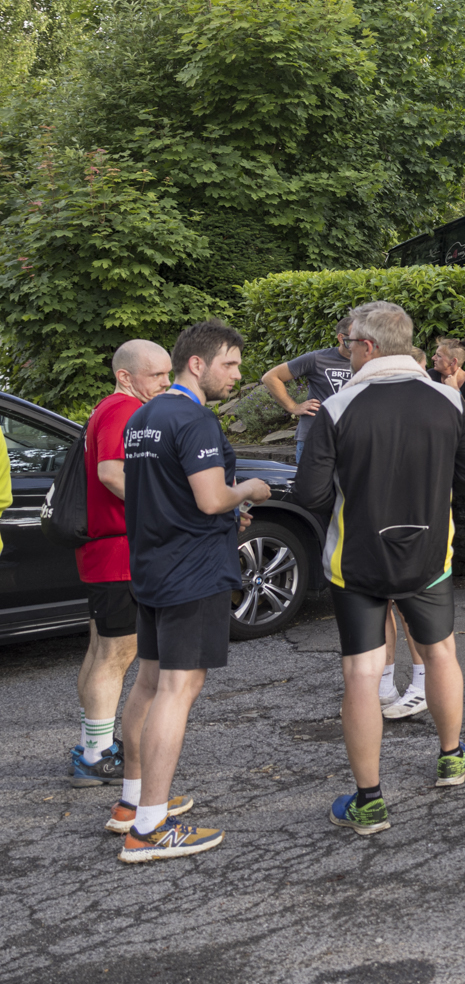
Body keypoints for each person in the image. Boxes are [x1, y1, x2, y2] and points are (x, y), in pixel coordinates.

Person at [296, 302, 465, 835]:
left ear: (369, 346)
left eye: (349, 344)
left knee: (361, 672)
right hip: (428, 554)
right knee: (440, 652)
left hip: (356, 556)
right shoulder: (447, 399)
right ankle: (452, 758)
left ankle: (369, 800)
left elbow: (310, 493)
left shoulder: (338, 407)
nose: (346, 352)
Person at [117, 320, 273, 863]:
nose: (238, 375)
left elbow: (169, 494)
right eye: (230, 363)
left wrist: (226, 510)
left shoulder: (144, 416)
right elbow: (210, 499)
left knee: (149, 682)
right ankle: (150, 828)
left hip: (153, 566)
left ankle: (132, 804)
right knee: (177, 689)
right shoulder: (194, 418)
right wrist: (248, 489)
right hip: (192, 571)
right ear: (197, 363)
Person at [70, 341, 173, 806]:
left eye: (168, 373)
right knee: (117, 654)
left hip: (104, 551)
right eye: (156, 375)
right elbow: (112, 473)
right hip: (118, 552)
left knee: (101, 650)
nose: (166, 383)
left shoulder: (107, 408)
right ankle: (95, 756)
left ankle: (93, 744)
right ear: (126, 376)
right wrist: (164, 506)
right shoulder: (123, 409)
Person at [261, 320, 354, 463]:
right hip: (315, 438)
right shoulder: (317, 359)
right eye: (357, 337)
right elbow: (271, 377)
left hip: (353, 439)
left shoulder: (371, 362)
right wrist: (293, 407)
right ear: (341, 338)